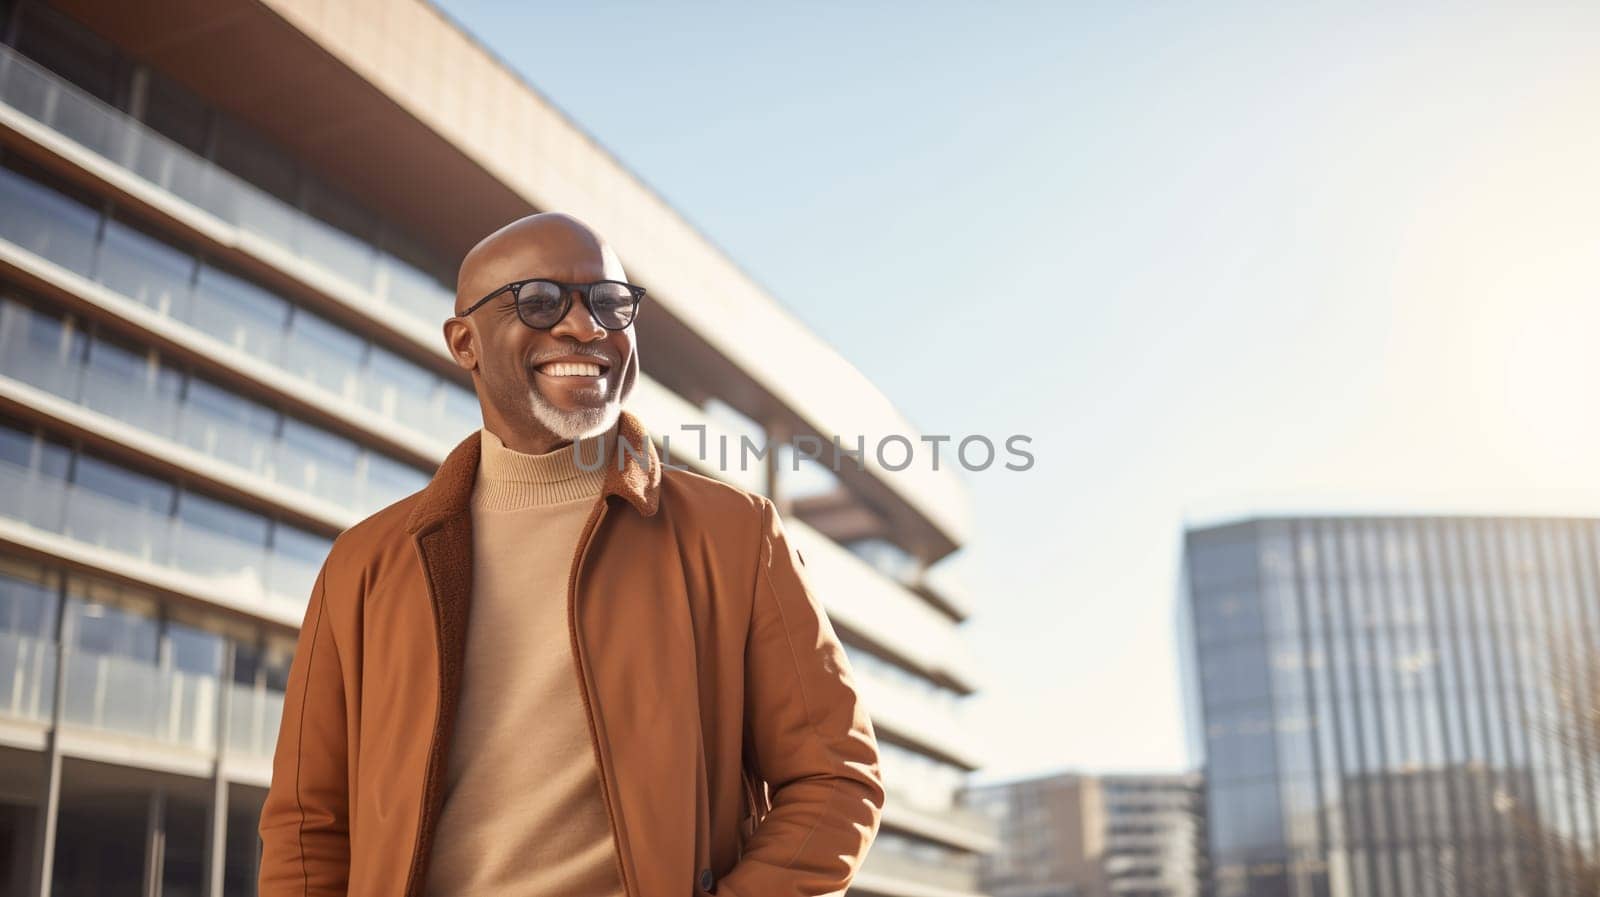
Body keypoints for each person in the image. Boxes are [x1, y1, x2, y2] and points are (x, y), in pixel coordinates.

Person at [257, 212, 885, 897]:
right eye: (540, 301)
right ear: (463, 342)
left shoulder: (736, 535)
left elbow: (835, 778)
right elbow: (305, 828)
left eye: (610, 303)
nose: (586, 327)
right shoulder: (364, 564)